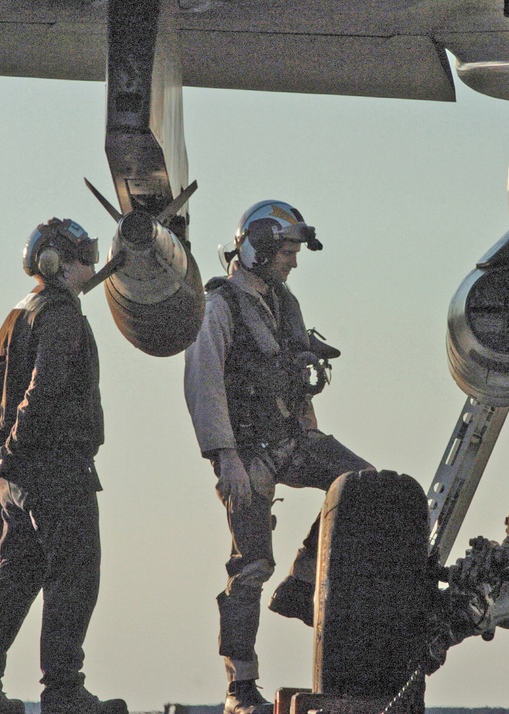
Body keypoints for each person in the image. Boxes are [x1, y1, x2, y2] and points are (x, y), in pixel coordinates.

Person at [184, 200, 373, 714]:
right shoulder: (218, 306)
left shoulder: (282, 302)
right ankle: (240, 689)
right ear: (261, 249)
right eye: (287, 252)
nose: (293, 262)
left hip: (291, 438)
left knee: (364, 485)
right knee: (250, 567)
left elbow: (290, 366)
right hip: (246, 455)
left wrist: (307, 420)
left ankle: (304, 580)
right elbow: (205, 385)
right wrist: (226, 461)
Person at [0, 219, 127, 714]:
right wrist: (15, 450)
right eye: (82, 256)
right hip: (55, 471)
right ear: (55, 262)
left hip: (16, 478)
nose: (91, 265)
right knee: (75, 575)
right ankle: (63, 692)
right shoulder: (60, 314)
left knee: (16, 574)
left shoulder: (18, 313)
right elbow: (44, 389)